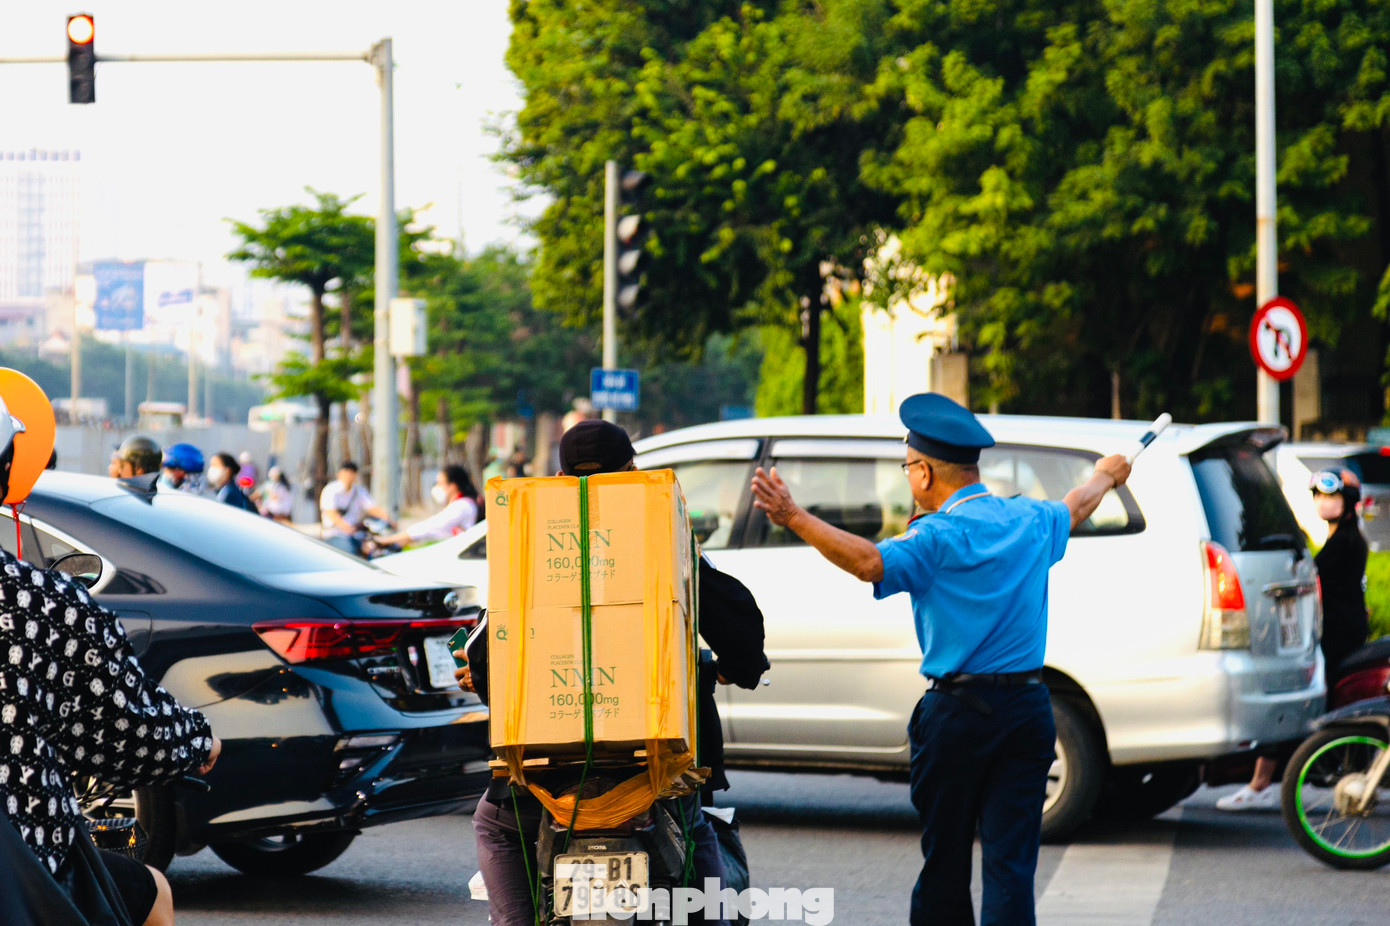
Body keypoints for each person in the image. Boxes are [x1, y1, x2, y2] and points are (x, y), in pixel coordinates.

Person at [749, 392, 1130, 926]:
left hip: (956, 717)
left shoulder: (935, 539)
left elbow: (867, 562)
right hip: (1027, 712)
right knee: (1011, 870)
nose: (908, 478)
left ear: (925, 473)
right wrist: (1108, 475)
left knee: (946, 863)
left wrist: (793, 516)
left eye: (908, 467)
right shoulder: (1029, 520)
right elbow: (1079, 502)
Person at [459, 419, 768, 926]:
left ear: (561, 480)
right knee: (695, 827)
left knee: (494, 826)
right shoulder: (667, 538)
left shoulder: (535, 537)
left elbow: (487, 646)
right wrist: (739, 668)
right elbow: (737, 626)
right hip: (650, 766)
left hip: (548, 772)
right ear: (633, 471)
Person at [0, 390, 221, 926]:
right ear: (7, 471)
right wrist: (197, 740)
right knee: (153, 895)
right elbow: (122, 730)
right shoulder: (39, 602)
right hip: (21, 866)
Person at [1217, 467, 1370, 812]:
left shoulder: (1347, 542)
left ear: (1348, 503)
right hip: (1330, 634)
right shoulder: (1340, 539)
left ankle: (1261, 784)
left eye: (1332, 497)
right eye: (1320, 496)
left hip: (1335, 638)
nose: (1324, 503)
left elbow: (1311, 584)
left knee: (1292, 701)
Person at [375, 465, 479, 548]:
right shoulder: (465, 503)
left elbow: (431, 527)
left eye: (439, 483)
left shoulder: (462, 506)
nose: (436, 488)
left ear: (453, 486)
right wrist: (404, 540)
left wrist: (389, 540)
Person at [319, 461, 391, 555]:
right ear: (339, 474)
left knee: (374, 550)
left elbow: (371, 507)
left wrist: (388, 519)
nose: (349, 475)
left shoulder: (358, 491)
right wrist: (347, 528)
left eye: (352, 472)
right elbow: (331, 513)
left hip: (356, 534)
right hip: (335, 533)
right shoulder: (331, 490)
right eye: (346, 472)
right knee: (350, 552)